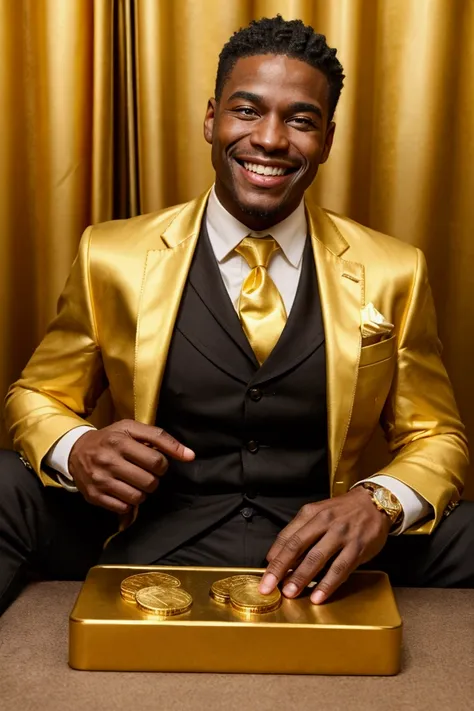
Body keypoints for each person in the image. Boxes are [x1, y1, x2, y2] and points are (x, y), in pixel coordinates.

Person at [1, 15, 472, 616]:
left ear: (327, 139)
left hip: (320, 549)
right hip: (151, 536)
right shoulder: (112, 255)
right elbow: (35, 394)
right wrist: (79, 447)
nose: (271, 140)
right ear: (211, 119)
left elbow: (439, 437)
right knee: (4, 484)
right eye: (247, 111)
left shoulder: (393, 269)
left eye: (300, 120)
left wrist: (376, 503)